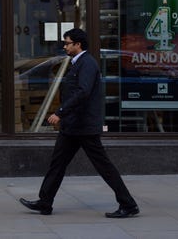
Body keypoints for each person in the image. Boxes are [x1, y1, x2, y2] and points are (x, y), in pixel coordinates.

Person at [19, 28, 139, 218]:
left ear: (78, 44)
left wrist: (60, 112)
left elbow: (82, 92)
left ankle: (128, 204)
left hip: (84, 127)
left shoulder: (87, 64)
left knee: (104, 167)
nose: (64, 46)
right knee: (57, 164)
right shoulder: (77, 63)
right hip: (72, 127)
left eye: (67, 43)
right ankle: (45, 202)